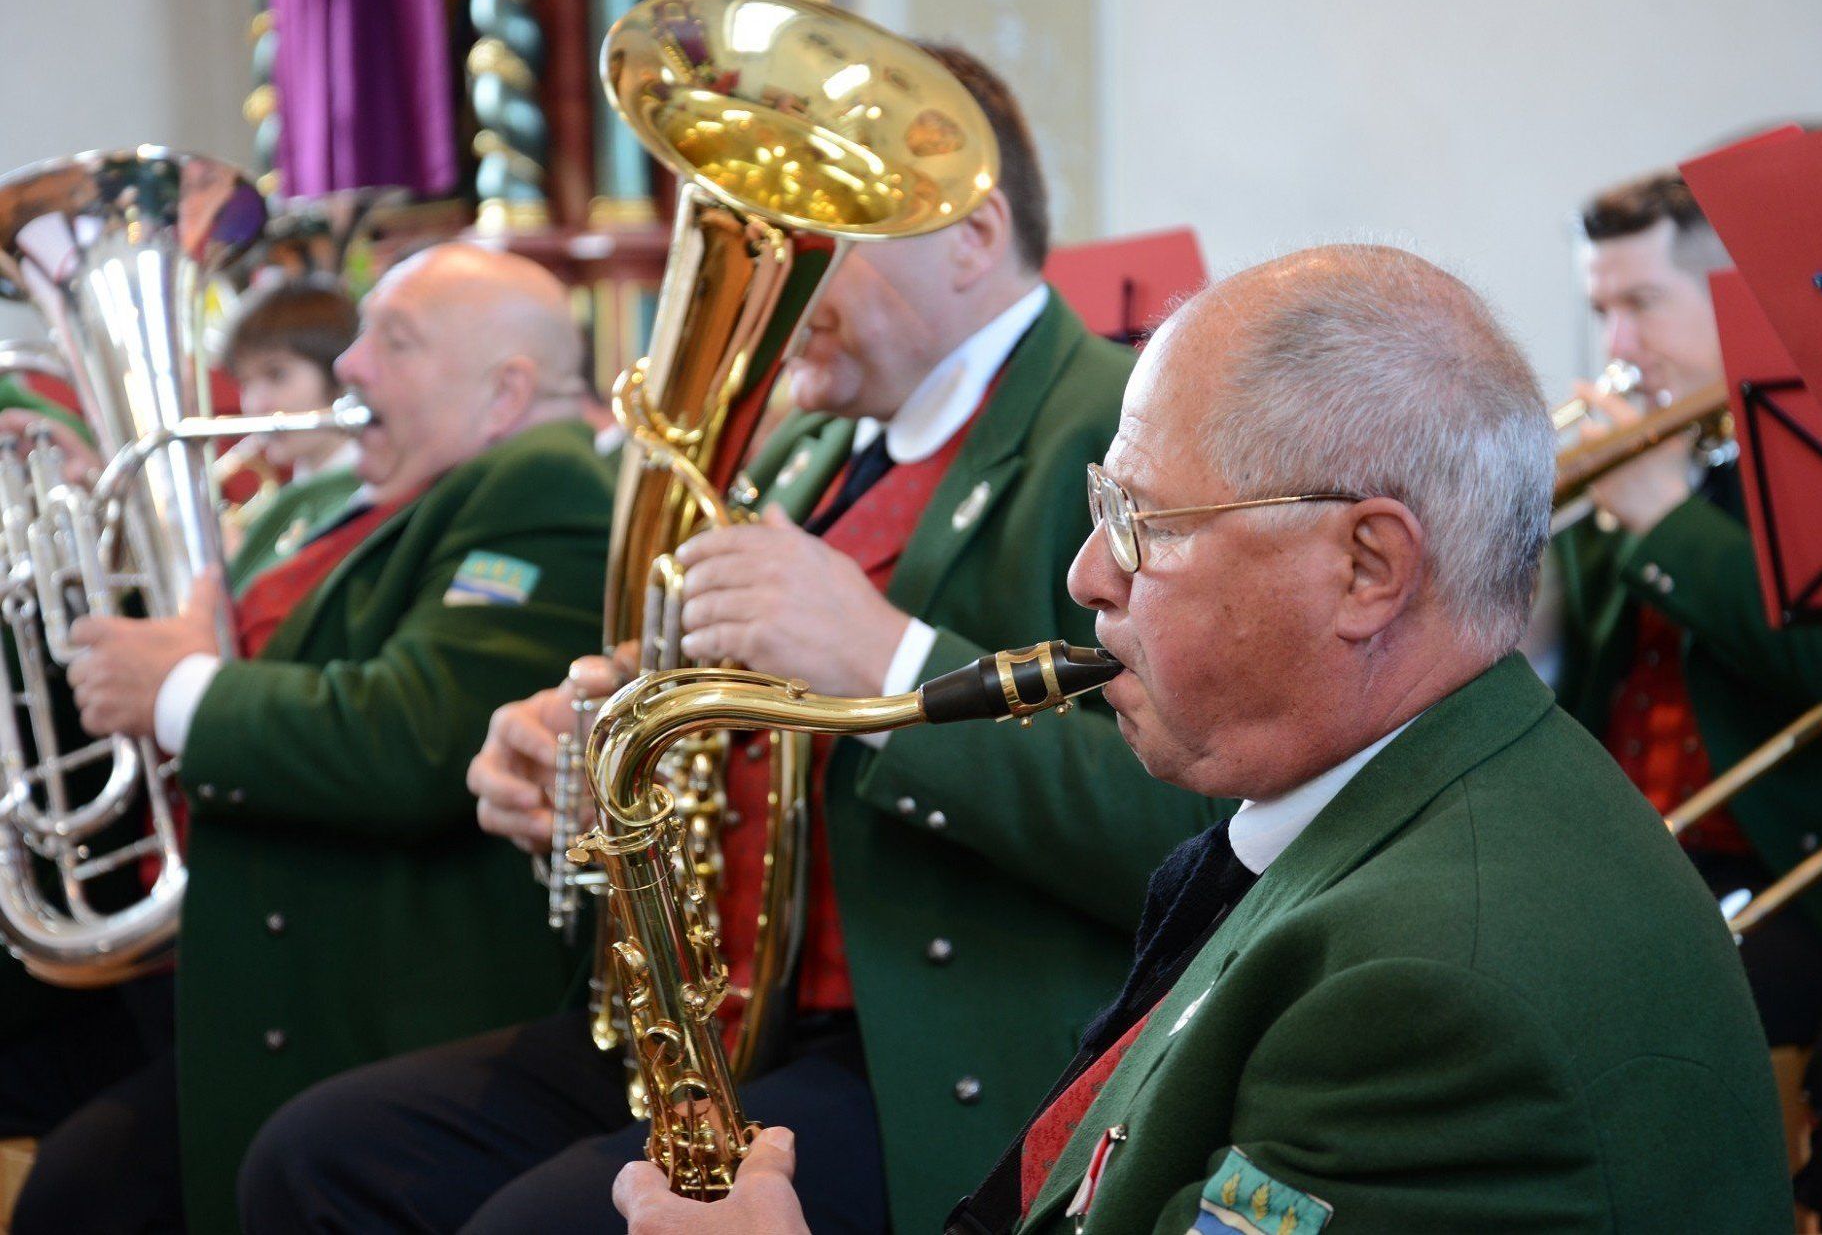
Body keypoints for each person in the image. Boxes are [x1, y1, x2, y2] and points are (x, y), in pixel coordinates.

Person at [239, 47, 1221, 1235]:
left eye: (824, 231)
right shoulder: (806, 450)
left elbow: (1186, 825)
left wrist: (887, 657)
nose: (776, 283)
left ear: (970, 235)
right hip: (731, 1021)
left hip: (941, 1051)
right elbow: (709, 712)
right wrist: (591, 748)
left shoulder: (1108, 430)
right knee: (318, 1157)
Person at [615, 244, 1790, 1235]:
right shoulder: (1393, 814)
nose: (1088, 575)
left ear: (1367, 568)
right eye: (1101, 507)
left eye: (1142, 521)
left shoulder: (1426, 996)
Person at [12, 243, 616, 1235]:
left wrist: (182, 690)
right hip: (250, 971)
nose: (350, 363)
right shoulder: (343, 499)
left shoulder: (544, 481)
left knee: (87, 1192)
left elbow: (414, 732)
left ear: (505, 391)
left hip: (370, 1004)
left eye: (394, 340)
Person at [1553, 171, 1822, 1122]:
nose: (1617, 347)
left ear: (1735, 298)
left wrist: (1666, 517)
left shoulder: (1798, 467)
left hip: (1775, 881)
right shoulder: (1649, 459)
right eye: (1602, 311)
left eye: (1642, 304)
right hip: (1625, 862)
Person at [216, 273, 363, 566]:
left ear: (340, 370)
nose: (255, 404)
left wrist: (238, 568)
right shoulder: (296, 492)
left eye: (277, 375)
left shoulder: (362, 495)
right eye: (245, 383)